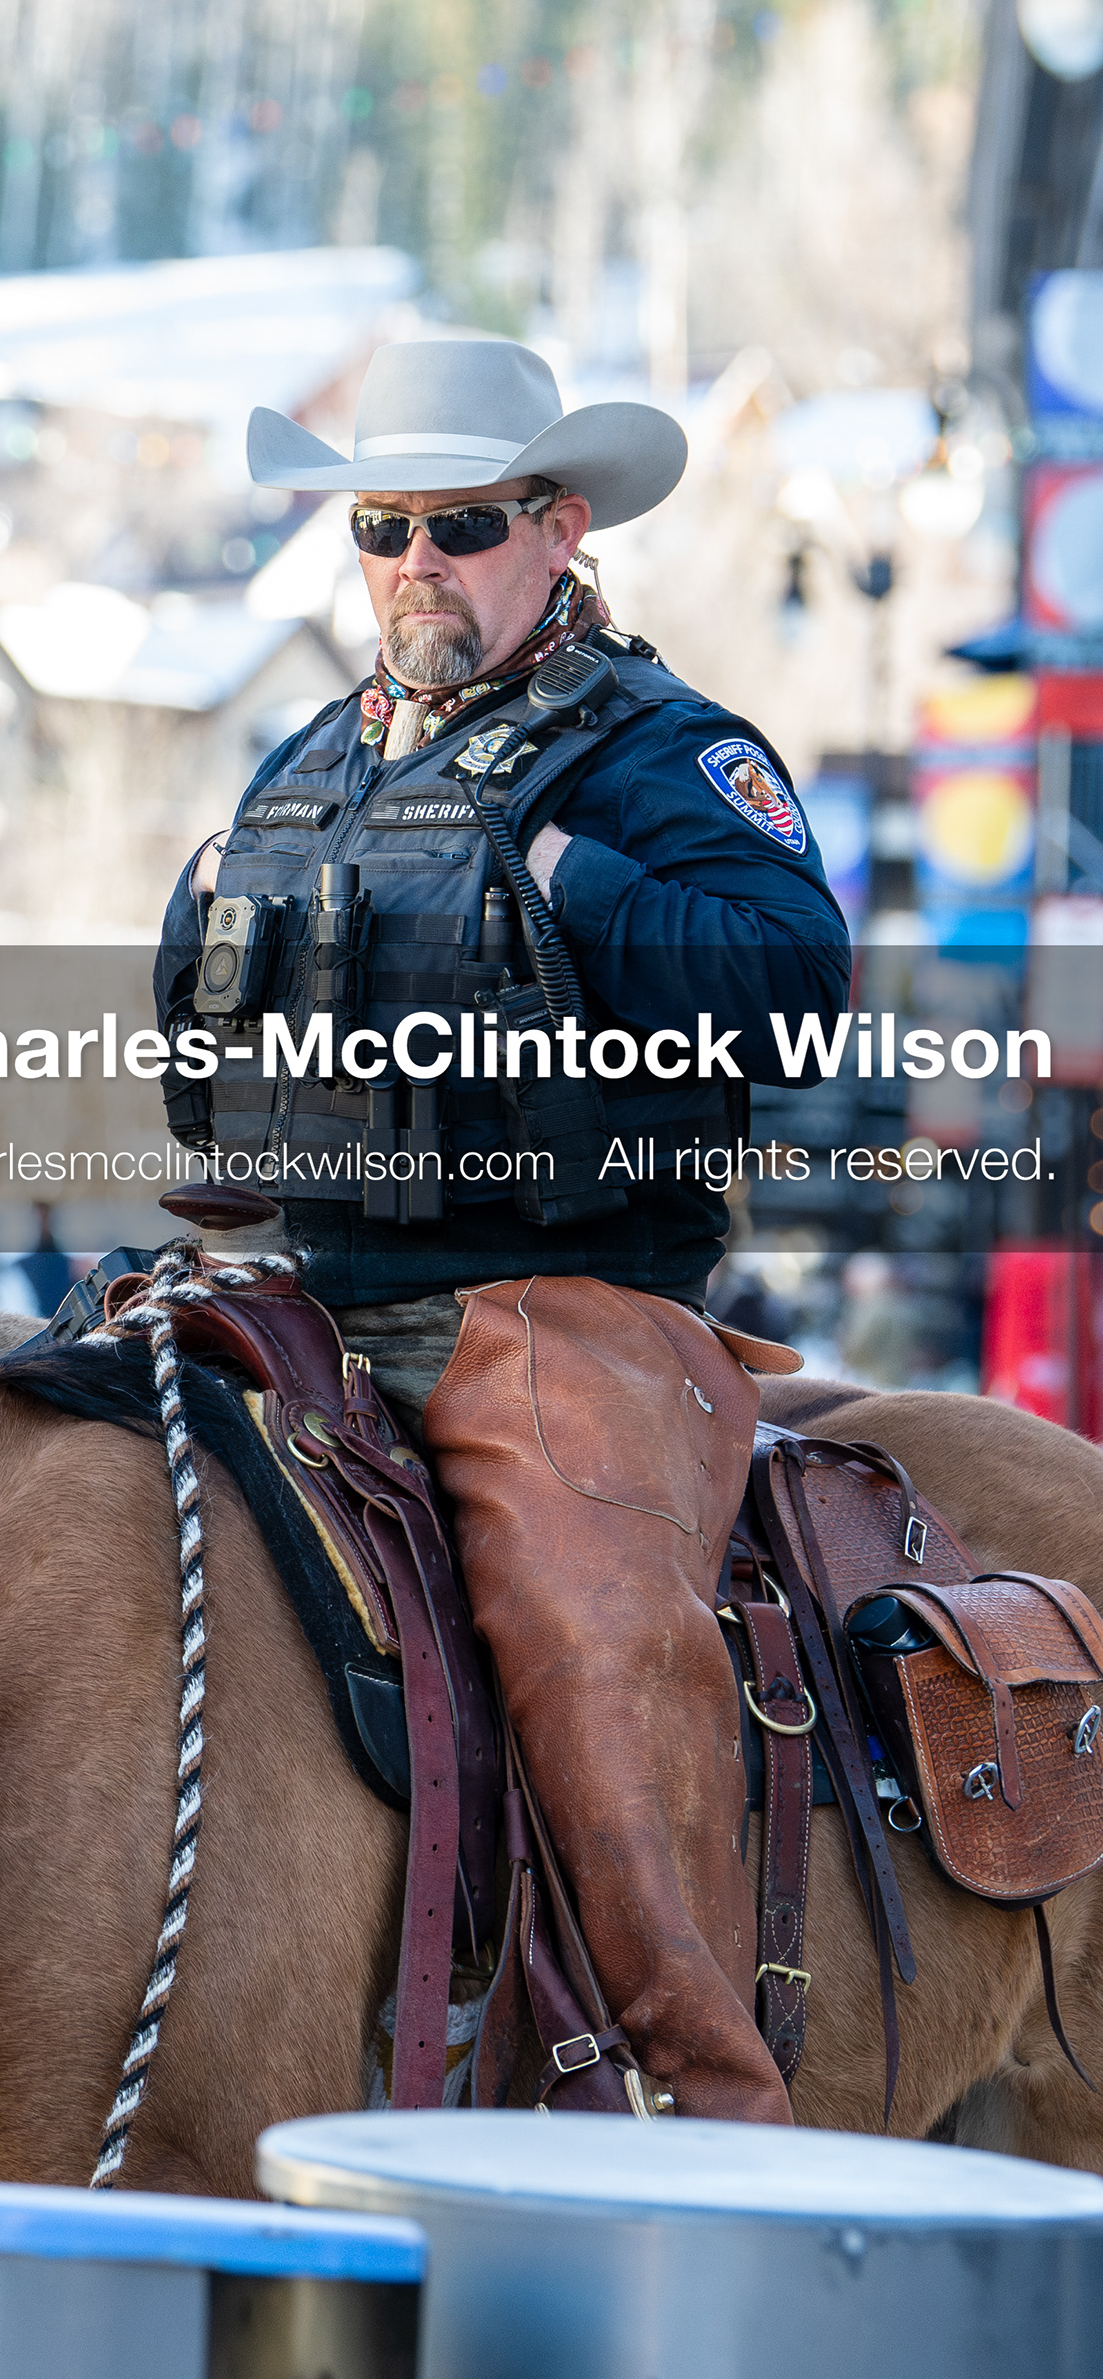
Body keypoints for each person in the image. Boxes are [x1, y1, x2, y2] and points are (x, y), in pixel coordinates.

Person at [153, 335, 853, 2122]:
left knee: (593, 1641)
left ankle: (699, 2097)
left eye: (457, 524)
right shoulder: (313, 756)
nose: (411, 562)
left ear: (556, 529)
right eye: (381, 525)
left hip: (564, 1306)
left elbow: (793, 990)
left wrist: (569, 884)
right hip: (298, 1285)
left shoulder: (663, 752)